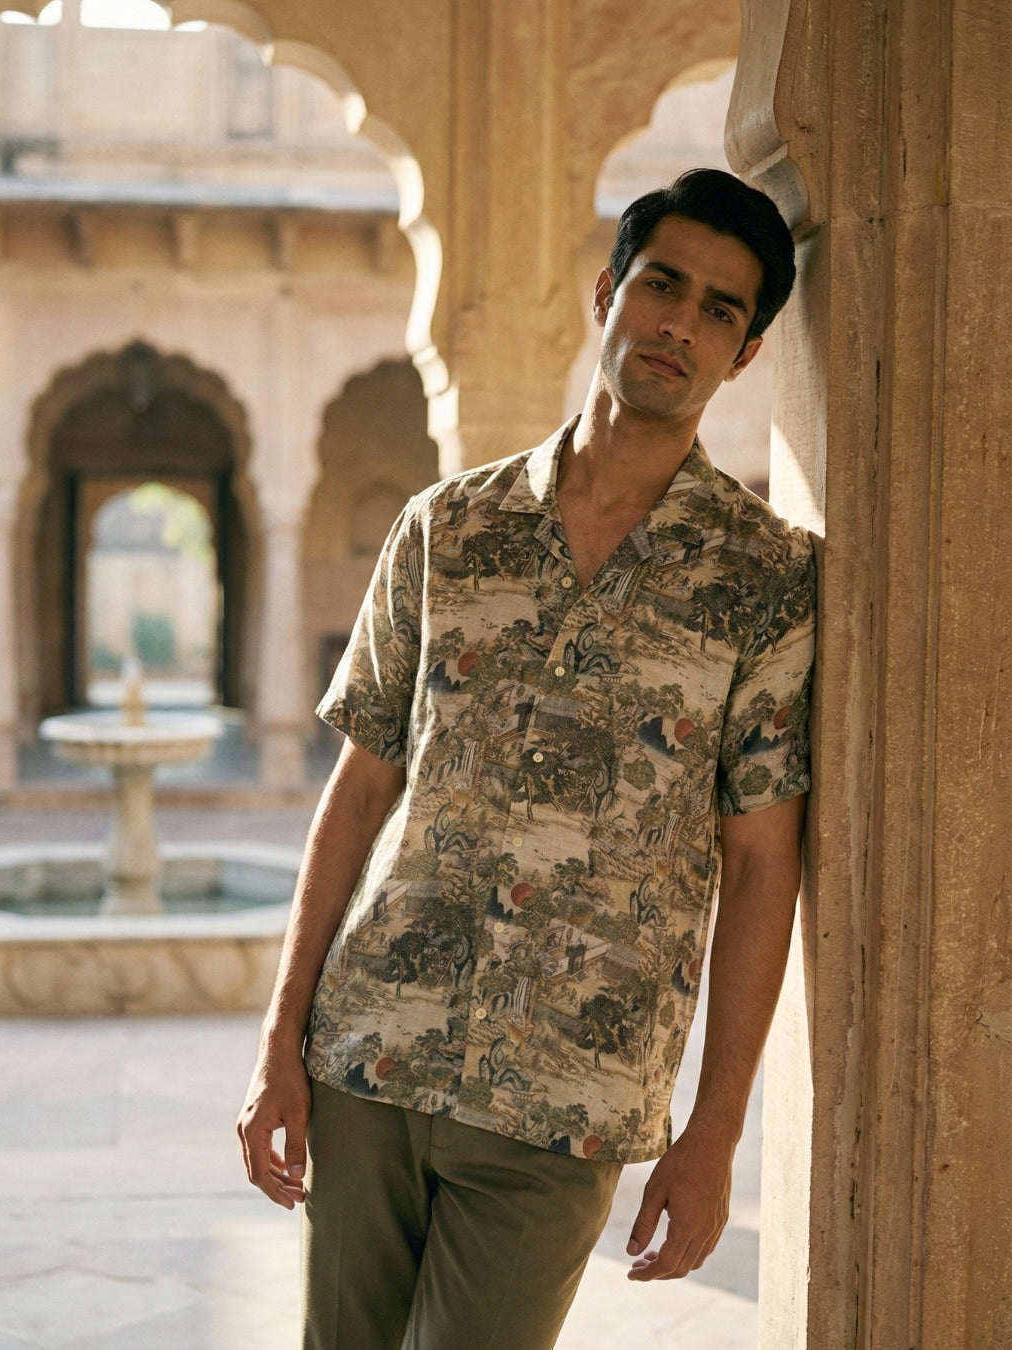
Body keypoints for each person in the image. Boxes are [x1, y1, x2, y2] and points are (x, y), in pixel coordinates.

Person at [238, 167, 816, 1350]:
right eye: (661, 285)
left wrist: (715, 1134)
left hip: (568, 1100)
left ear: (746, 353)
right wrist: (277, 1046)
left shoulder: (765, 579)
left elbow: (765, 863)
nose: (679, 324)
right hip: (368, 1054)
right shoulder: (445, 528)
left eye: (718, 310)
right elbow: (359, 790)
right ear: (608, 293)